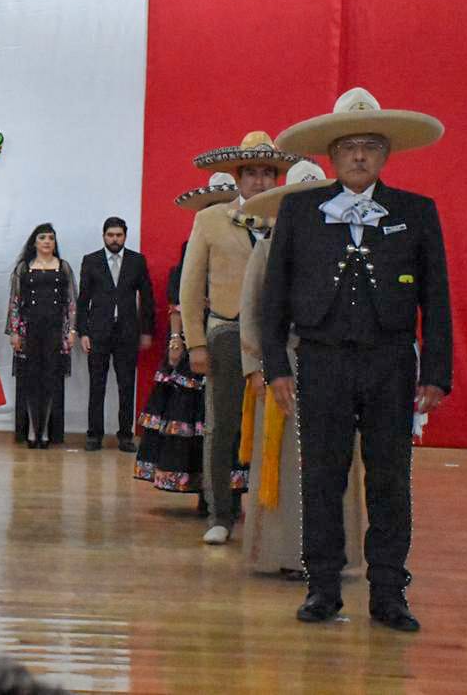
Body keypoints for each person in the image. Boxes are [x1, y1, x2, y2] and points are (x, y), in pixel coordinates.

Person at [262, 88, 450, 631]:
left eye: (370, 146)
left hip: (391, 362)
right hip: (320, 362)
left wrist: (436, 371)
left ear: (386, 154)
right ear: (331, 154)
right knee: (322, 476)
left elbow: (436, 297)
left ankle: (390, 592)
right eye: (349, 146)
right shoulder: (299, 210)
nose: (360, 156)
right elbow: (276, 295)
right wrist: (276, 364)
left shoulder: (416, 212)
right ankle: (322, 588)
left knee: (391, 478)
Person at [237, 160, 366, 579]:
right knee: (289, 465)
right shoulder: (269, 246)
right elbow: (253, 312)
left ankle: (331, 553)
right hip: (286, 367)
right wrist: (258, 365)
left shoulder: (347, 244)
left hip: (337, 366)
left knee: (335, 460)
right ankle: (285, 553)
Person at [180, 132, 300, 545]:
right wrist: (195, 342)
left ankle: (273, 516)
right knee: (223, 425)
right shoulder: (210, 219)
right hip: (227, 332)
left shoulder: (291, 218)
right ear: (237, 176)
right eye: (252, 173)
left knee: (281, 428)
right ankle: (220, 513)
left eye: (269, 173)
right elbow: (190, 286)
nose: (261, 181)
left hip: (282, 338)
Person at [135, 173, 235, 502]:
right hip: (198, 342)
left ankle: (227, 494)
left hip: (233, 339)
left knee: (228, 419)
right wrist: (178, 340)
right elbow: (180, 300)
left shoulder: (245, 243)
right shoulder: (190, 249)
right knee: (195, 418)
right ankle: (199, 490)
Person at [76, 216, 155, 452]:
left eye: (118, 235)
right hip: (98, 332)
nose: (114, 239)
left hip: (128, 333)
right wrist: (83, 332)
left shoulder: (136, 261)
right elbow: (83, 301)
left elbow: (148, 299)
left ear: (125, 236)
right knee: (97, 385)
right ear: (103, 236)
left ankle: (125, 435)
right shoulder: (91, 261)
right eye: (110, 235)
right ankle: (94, 434)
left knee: (126, 385)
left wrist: (147, 331)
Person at [5, 223, 77, 449]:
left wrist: (71, 331)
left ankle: (45, 431)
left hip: (55, 332)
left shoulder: (63, 267)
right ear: (34, 242)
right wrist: (15, 331)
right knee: (30, 382)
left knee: (50, 382)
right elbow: (15, 303)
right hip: (29, 332)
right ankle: (31, 430)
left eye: (51, 238)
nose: (47, 242)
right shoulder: (23, 269)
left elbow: (71, 303)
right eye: (43, 237)